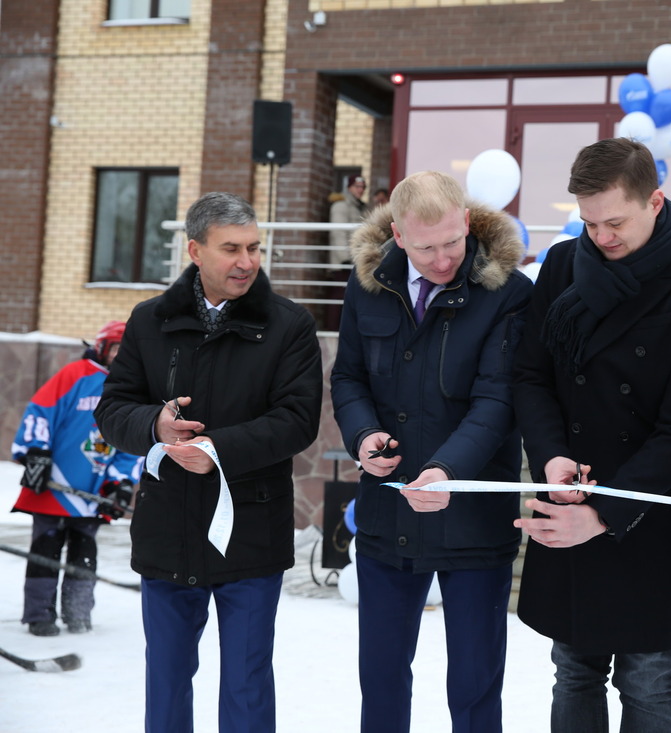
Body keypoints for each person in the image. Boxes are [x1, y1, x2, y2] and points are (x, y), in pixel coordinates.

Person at [512, 137, 671, 732]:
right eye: (589, 223)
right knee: (573, 671)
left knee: (647, 682)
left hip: (647, 517)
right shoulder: (562, 266)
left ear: (655, 201)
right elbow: (531, 376)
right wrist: (552, 456)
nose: (601, 237)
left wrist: (606, 512)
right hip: (569, 496)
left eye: (615, 221)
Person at [95, 191, 323, 733]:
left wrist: (216, 451)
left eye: (254, 248)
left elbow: (297, 421)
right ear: (195, 250)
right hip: (167, 530)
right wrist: (155, 424)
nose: (247, 261)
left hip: (250, 532)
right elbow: (112, 410)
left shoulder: (289, 325)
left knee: (246, 683)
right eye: (231, 249)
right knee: (167, 680)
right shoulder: (149, 320)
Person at [330, 170, 532, 733]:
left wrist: (447, 469)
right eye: (425, 248)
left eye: (451, 242)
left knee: (474, 683)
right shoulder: (366, 284)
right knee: (383, 677)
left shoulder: (508, 293)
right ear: (397, 234)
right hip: (387, 516)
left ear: (467, 222)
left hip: (473, 520)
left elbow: (498, 402)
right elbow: (347, 379)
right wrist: (363, 435)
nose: (442, 259)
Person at [10, 321, 142, 637]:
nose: (121, 355)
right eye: (116, 348)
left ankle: (78, 613)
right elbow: (40, 412)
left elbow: (132, 443)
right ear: (101, 347)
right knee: (46, 552)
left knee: (85, 554)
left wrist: (120, 483)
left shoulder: (135, 388)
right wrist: (36, 453)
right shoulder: (75, 375)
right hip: (53, 488)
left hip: (93, 492)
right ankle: (39, 615)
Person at [330, 173, 369, 267]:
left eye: (363, 187)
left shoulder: (362, 208)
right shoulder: (340, 206)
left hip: (357, 262)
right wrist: (345, 259)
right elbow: (338, 233)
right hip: (343, 264)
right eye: (357, 186)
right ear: (349, 188)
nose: (361, 190)